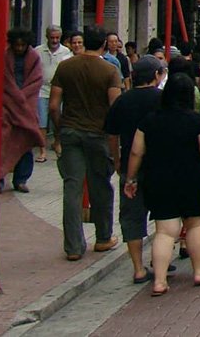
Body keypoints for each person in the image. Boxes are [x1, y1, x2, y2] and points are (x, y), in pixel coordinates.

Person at [124, 73, 200, 295]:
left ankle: (159, 281)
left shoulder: (149, 120)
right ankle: (199, 271)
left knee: (165, 231)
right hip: (192, 178)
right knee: (195, 225)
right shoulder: (196, 121)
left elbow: (136, 152)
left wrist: (131, 178)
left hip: (159, 179)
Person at [49, 25, 122, 261]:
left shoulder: (65, 67)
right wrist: (115, 140)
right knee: (100, 184)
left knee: (72, 186)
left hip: (71, 130)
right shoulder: (110, 70)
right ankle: (103, 237)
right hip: (98, 134)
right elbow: (115, 108)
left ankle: (73, 246)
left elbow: (53, 105)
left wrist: (60, 130)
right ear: (103, 44)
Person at [104, 54, 166, 283]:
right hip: (160, 166)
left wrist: (117, 158)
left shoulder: (123, 100)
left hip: (131, 166)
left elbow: (112, 133)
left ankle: (138, 267)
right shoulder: (163, 99)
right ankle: (161, 259)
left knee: (131, 216)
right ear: (156, 76)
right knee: (164, 214)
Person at [3, 30, 45, 193]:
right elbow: (4, 79)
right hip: (7, 104)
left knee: (25, 141)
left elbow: (36, 80)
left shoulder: (33, 57)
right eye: (16, 45)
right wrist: (15, 95)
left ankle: (21, 179)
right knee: (3, 141)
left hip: (26, 104)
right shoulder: (6, 56)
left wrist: (21, 96)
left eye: (22, 45)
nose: (19, 48)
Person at [37, 25, 71, 163]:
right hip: (41, 90)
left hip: (60, 90)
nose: (55, 40)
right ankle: (42, 150)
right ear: (47, 37)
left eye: (57, 38)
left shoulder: (66, 52)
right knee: (41, 122)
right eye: (52, 38)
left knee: (58, 119)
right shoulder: (38, 51)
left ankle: (57, 142)